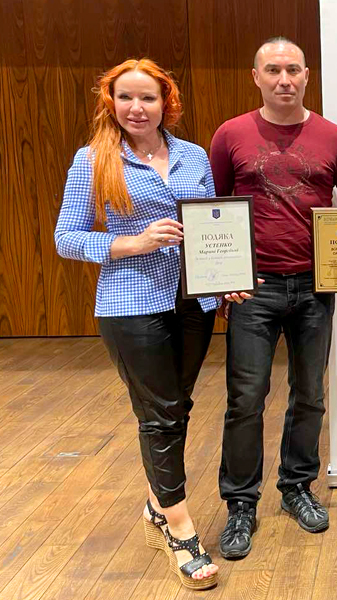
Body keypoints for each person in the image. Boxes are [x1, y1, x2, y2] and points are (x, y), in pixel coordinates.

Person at [54, 58, 231, 590]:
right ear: (110, 103)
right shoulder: (93, 160)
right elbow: (67, 238)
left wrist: (227, 277)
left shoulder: (193, 155)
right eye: (126, 98)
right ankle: (181, 532)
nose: (136, 108)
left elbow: (214, 224)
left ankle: (157, 504)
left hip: (193, 302)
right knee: (159, 414)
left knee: (178, 406)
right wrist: (133, 242)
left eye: (148, 97)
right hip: (131, 303)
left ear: (165, 102)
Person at [209, 37, 337, 559]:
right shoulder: (230, 134)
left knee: (310, 395)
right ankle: (241, 503)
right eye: (273, 70)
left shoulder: (334, 136)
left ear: (307, 76)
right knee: (246, 399)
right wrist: (222, 275)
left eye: (294, 70)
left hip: (314, 288)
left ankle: (296, 486)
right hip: (252, 289)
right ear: (256, 76)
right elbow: (214, 208)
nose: (284, 79)